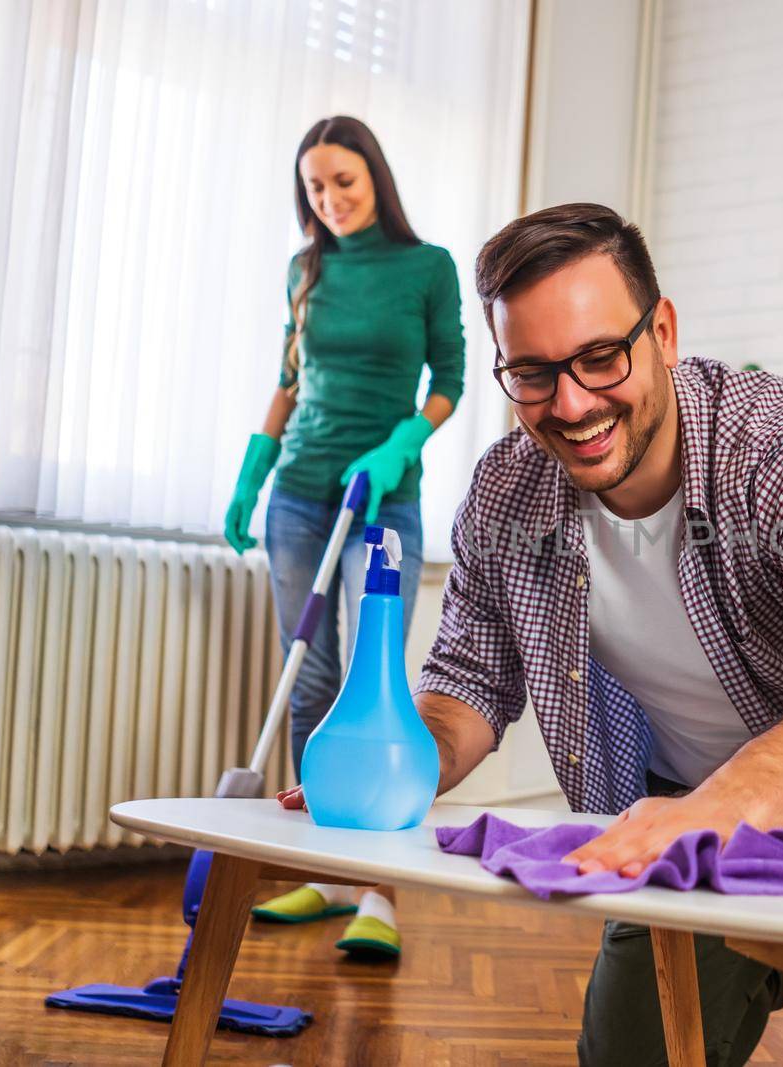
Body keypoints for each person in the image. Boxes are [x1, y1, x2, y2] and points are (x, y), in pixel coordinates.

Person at [279, 203, 783, 1065]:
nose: (571, 403)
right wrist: (393, 758)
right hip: (684, 806)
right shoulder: (504, 492)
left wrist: (711, 814)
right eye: (531, 373)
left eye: (600, 357)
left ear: (663, 332)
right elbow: (469, 686)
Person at [225, 114, 465, 960]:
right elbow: (289, 379)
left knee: (376, 678)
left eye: (344, 183)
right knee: (310, 671)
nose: (328, 201)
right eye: (314, 188)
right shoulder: (305, 268)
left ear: (377, 180)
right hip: (301, 490)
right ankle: (323, 868)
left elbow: (453, 376)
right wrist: (254, 470)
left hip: (383, 492)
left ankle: (380, 889)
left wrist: (405, 440)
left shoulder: (427, 268)